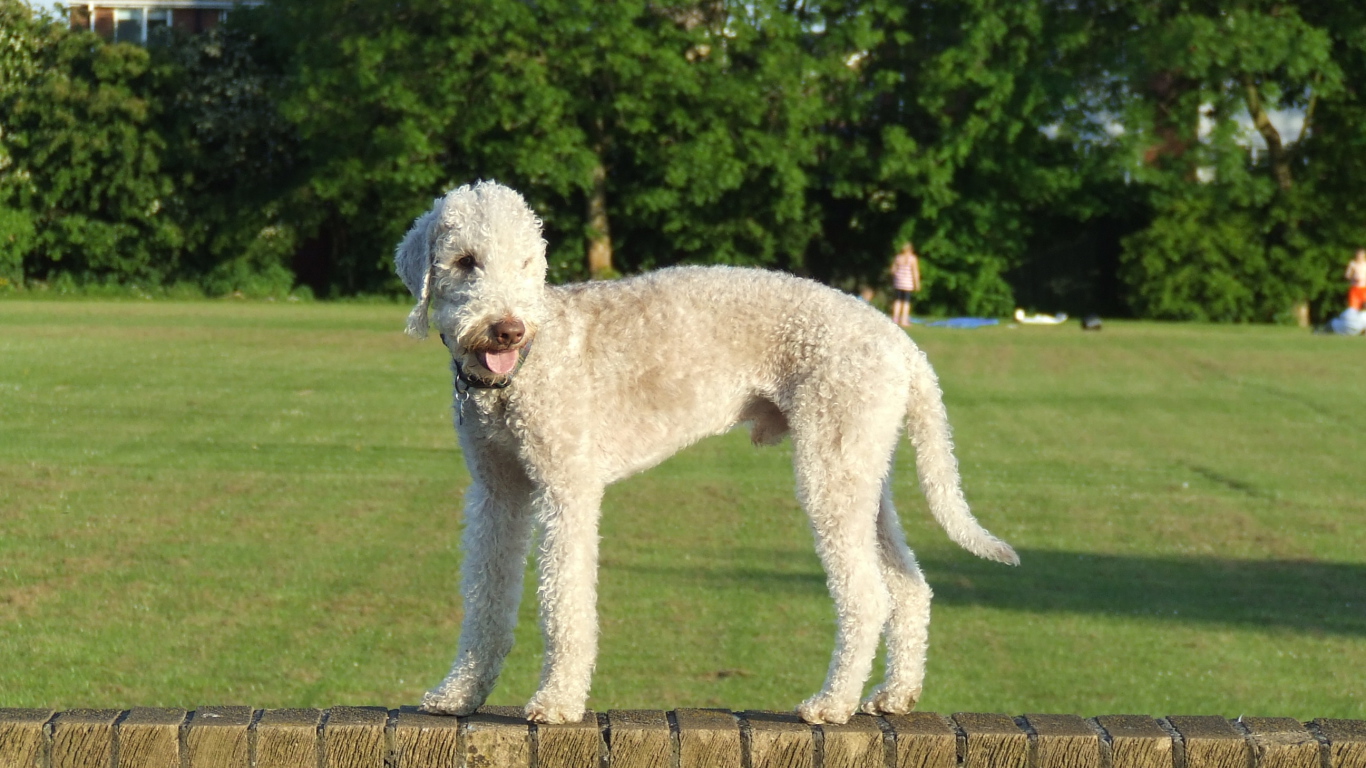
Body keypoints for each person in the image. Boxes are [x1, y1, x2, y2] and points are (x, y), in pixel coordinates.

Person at [889, 241, 921, 328]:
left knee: (898, 300)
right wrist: (917, 283)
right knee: (906, 302)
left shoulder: (898, 258)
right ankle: (904, 319)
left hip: (898, 283)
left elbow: (892, 270)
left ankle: (895, 318)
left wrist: (897, 276)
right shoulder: (912, 259)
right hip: (908, 284)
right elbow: (915, 272)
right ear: (910, 249)